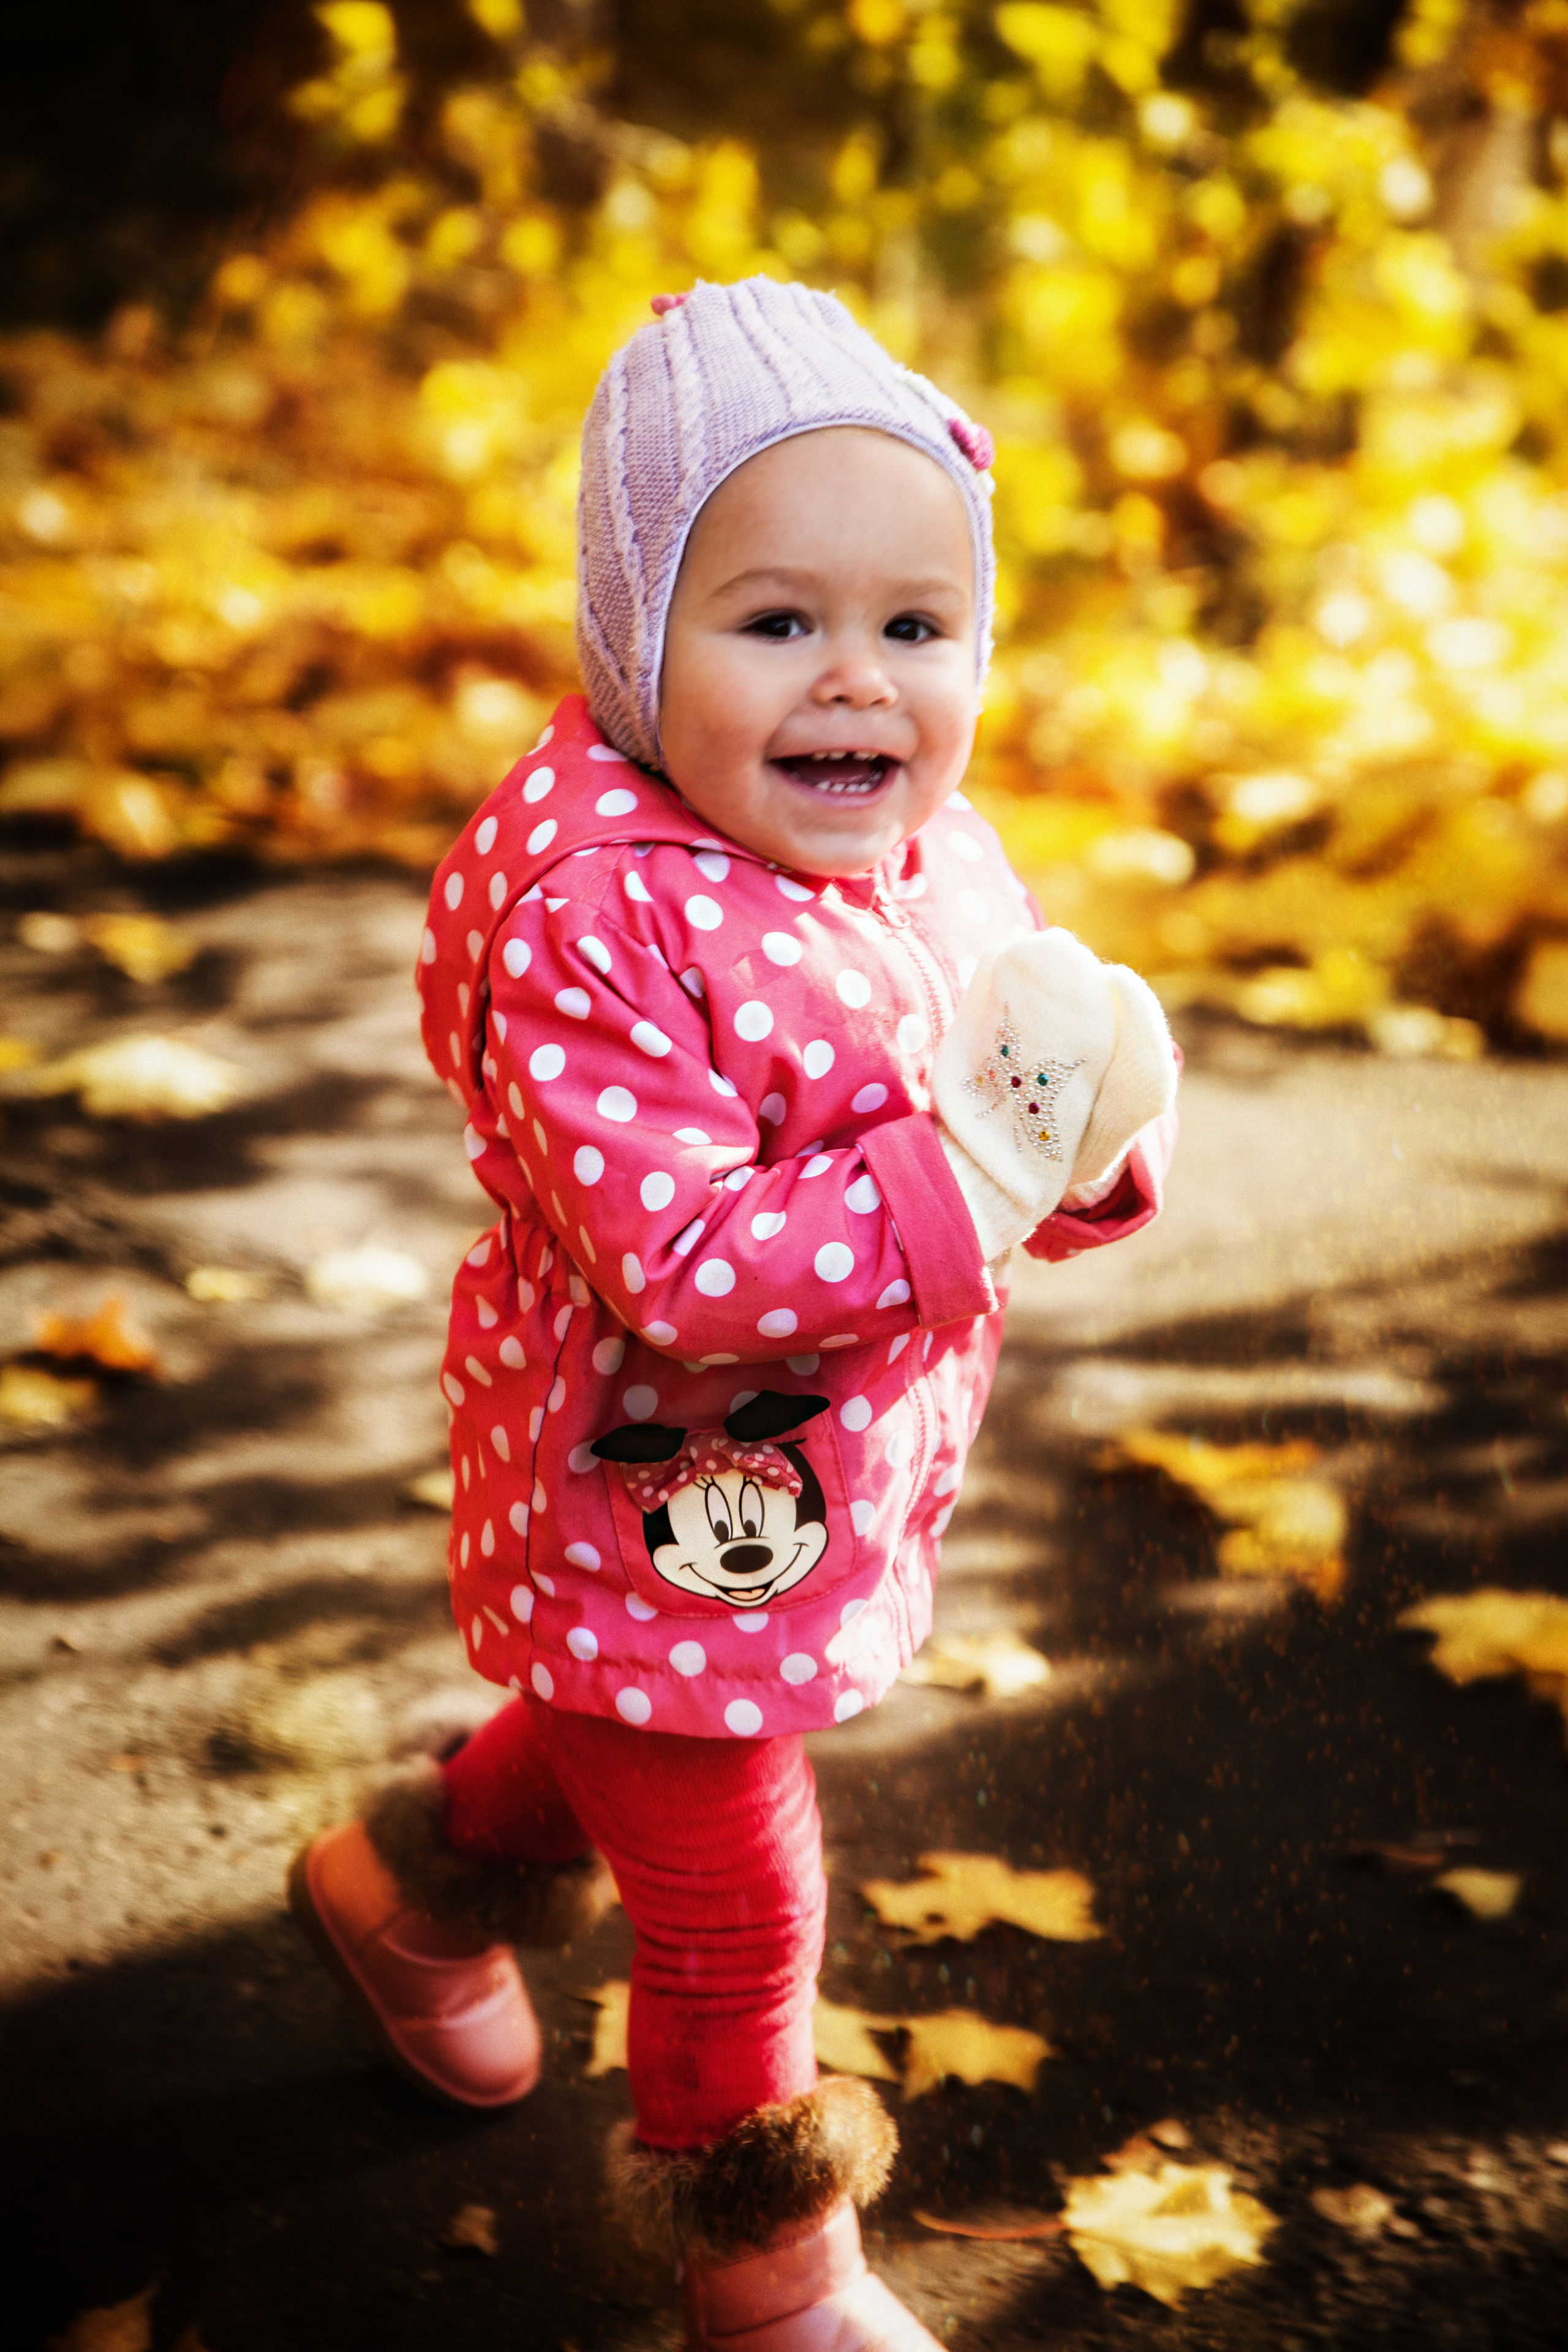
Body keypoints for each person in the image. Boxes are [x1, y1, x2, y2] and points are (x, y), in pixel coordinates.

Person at [289, 276, 1178, 2350]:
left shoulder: (939, 855)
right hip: (640, 1477)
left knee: (621, 1728)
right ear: (634, 643)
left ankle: (407, 1888)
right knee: (739, 1896)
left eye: (916, 628)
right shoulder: (602, 911)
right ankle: (768, 2271)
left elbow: (1002, 1098)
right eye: (773, 622)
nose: (856, 682)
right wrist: (964, 1183)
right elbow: (678, 1265)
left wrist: (1087, 1137)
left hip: (817, 1477)